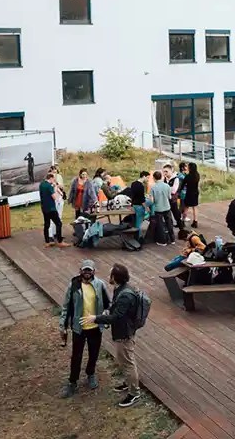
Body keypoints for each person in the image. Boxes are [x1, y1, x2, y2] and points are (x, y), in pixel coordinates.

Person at [82, 263, 141, 408]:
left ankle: (134, 393)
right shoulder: (120, 289)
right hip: (122, 331)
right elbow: (115, 309)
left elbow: (117, 317)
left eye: (111, 275)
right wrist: (108, 311)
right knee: (123, 360)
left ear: (115, 277)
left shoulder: (125, 295)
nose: (109, 277)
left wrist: (96, 318)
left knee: (128, 362)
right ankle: (128, 383)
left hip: (124, 333)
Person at [60, 259, 111, 398]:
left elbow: (108, 304)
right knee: (76, 355)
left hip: (95, 327)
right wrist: (63, 326)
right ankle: (72, 381)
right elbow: (66, 306)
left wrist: (104, 316)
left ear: (94, 271)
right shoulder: (74, 285)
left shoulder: (100, 285)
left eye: (89, 270)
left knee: (94, 353)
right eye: (85, 270)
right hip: (79, 328)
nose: (87, 272)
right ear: (80, 271)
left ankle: (91, 373)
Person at [40, 173, 70, 248]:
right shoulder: (49, 186)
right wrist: (55, 188)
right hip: (51, 208)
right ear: (51, 178)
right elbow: (55, 197)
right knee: (58, 223)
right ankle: (60, 241)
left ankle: (47, 241)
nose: (54, 181)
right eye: (53, 179)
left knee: (47, 224)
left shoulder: (41, 184)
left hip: (44, 208)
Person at [148, 171, 175, 246]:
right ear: (161, 177)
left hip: (158, 208)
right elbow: (169, 197)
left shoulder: (153, 187)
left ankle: (163, 241)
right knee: (169, 223)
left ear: (154, 178)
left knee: (160, 225)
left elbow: (152, 201)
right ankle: (172, 239)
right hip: (167, 207)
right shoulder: (167, 186)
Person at [161, 164, 184, 232]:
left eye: (166, 171)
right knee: (166, 217)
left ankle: (182, 230)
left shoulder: (176, 179)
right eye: (163, 171)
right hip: (165, 200)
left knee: (176, 216)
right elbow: (161, 188)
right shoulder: (164, 178)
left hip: (172, 201)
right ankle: (168, 231)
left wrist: (165, 188)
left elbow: (174, 191)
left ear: (171, 171)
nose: (164, 173)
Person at [49, 165, 66, 239]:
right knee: (52, 217)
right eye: (53, 172)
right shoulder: (49, 179)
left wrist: (58, 184)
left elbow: (62, 186)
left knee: (59, 216)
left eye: (56, 172)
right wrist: (54, 184)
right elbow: (50, 188)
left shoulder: (59, 177)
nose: (55, 174)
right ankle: (51, 235)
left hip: (60, 198)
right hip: (53, 199)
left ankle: (58, 233)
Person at [182, 162, 201, 228]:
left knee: (186, 207)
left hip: (189, 193)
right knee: (195, 207)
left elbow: (183, 184)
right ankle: (195, 221)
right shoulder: (197, 175)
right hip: (195, 192)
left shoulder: (188, 176)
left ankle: (183, 221)